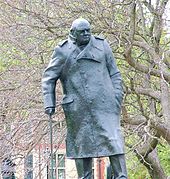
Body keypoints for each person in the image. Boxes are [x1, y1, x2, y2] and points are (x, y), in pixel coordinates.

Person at [42, 18, 127, 179]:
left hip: (106, 105)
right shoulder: (62, 51)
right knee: (82, 147)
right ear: (73, 33)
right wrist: (49, 103)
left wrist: (117, 97)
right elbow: (48, 78)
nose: (87, 34)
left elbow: (115, 73)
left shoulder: (102, 45)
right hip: (77, 108)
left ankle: (122, 176)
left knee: (114, 141)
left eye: (88, 30)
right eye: (83, 32)